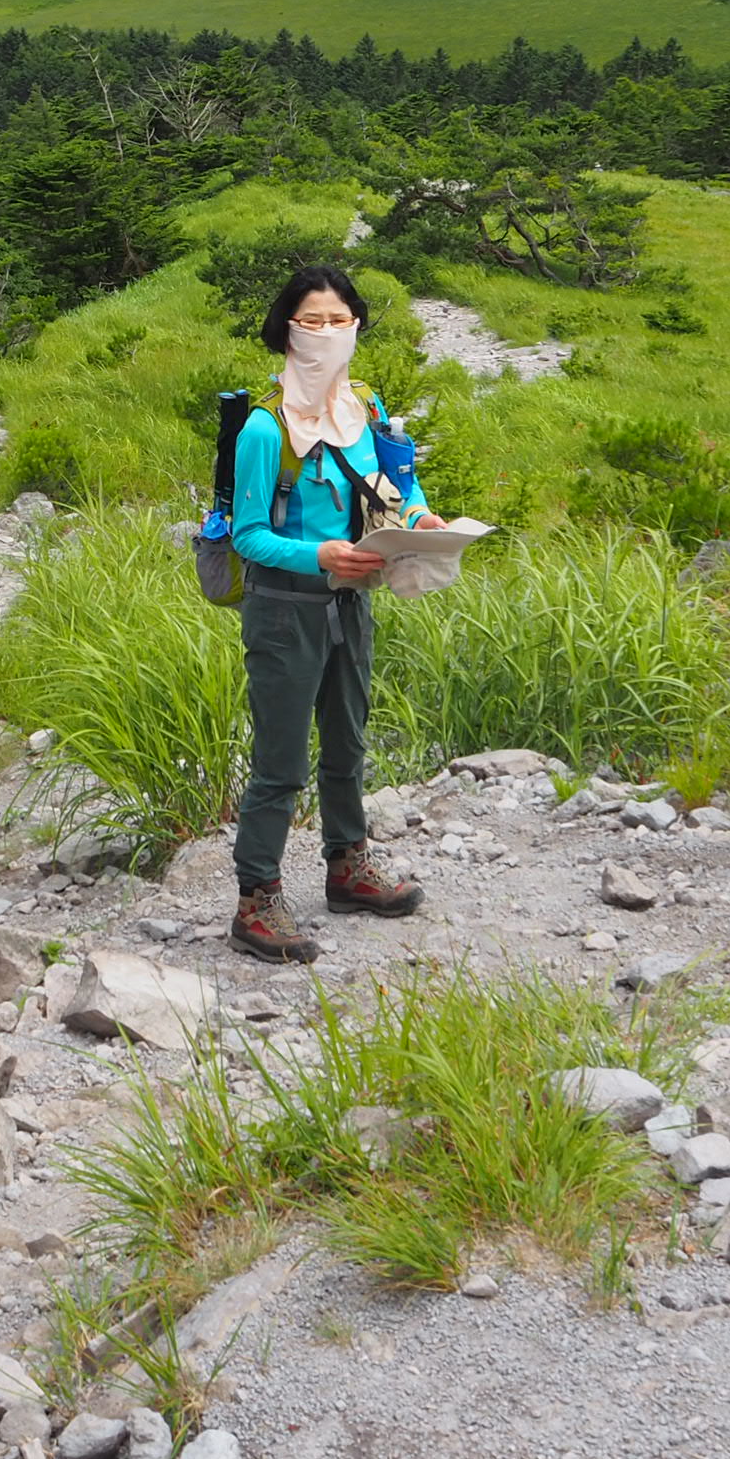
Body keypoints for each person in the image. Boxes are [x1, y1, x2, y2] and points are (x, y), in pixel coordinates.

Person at [223, 264, 445, 962]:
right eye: (310, 321)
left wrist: (418, 516)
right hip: (285, 609)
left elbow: (389, 488)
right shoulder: (265, 430)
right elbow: (248, 534)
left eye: (339, 320)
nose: (325, 333)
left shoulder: (365, 410)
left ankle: (348, 867)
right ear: (285, 329)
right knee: (281, 761)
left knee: (347, 743)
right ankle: (256, 899)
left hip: (352, 602)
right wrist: (321, 555)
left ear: (357, 326)